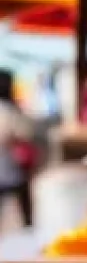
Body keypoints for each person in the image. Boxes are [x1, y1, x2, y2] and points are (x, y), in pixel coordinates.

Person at [0, 69, 36, 228]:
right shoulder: (10, 110)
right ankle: (29, 231)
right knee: (25, 208)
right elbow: (24, 134)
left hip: (7, 167)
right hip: (9, 166)